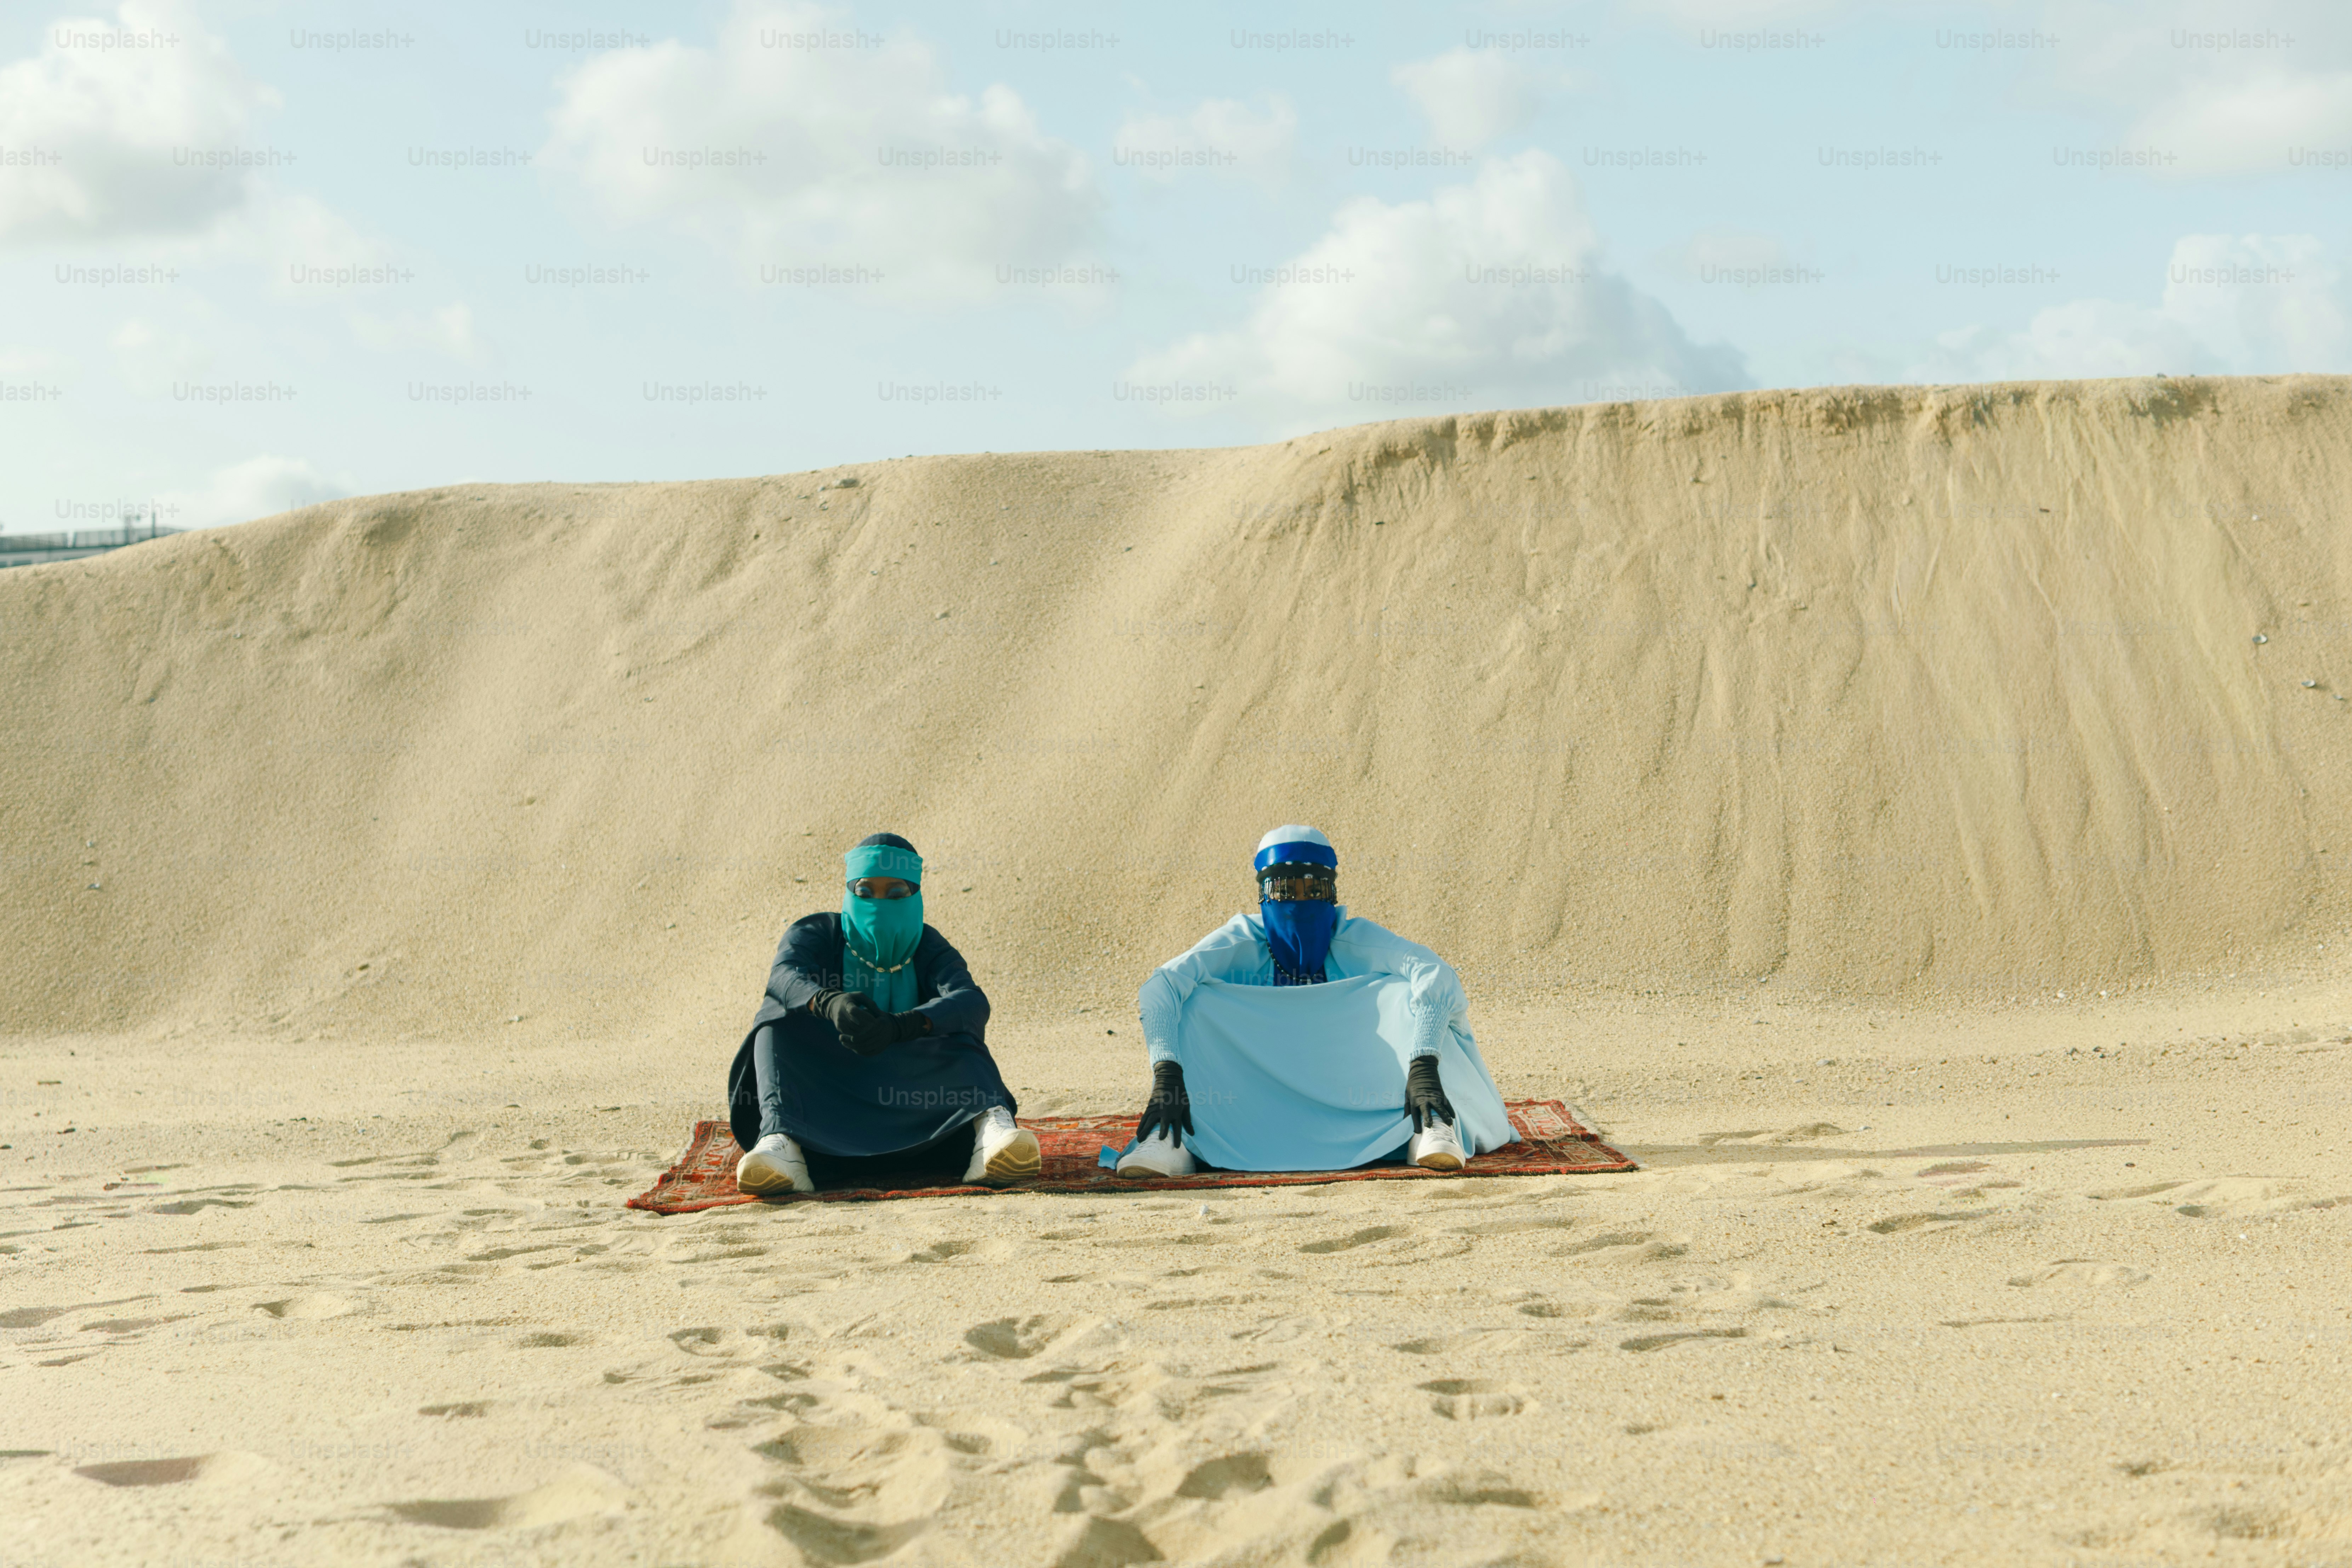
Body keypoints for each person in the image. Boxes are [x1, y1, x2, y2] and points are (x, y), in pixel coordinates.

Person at [1112, 825, 1513, 1178]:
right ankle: (1176, 1142)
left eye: (1313, 889)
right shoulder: (1241, 940)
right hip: (1259, 1089)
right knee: (1194, 1003)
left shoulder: (1352, 938)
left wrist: (1423, 1064)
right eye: (1284, 889)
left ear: (1332, 893)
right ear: (1263, 895)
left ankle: (1428, 1126)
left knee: (1404, 994)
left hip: (1351, 1078)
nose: (1298, 902)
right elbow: (1158, 987)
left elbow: (1436, 974)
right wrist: (1166, 1072)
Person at [726, 832, 1038, 1194]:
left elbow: (971, 1000)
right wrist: (827, 1002)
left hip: (922, 1109)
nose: (878, 903)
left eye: (895, 893)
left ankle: (990, 1135)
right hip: (828, 1097)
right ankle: (782, 1143)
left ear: (915, 895)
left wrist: (905, 1024)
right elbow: (783, 978)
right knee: (776, 1023)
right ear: (848, 891)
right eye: (864, 890)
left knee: (959, 1028)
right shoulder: (816, 932)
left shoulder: (928, 946)